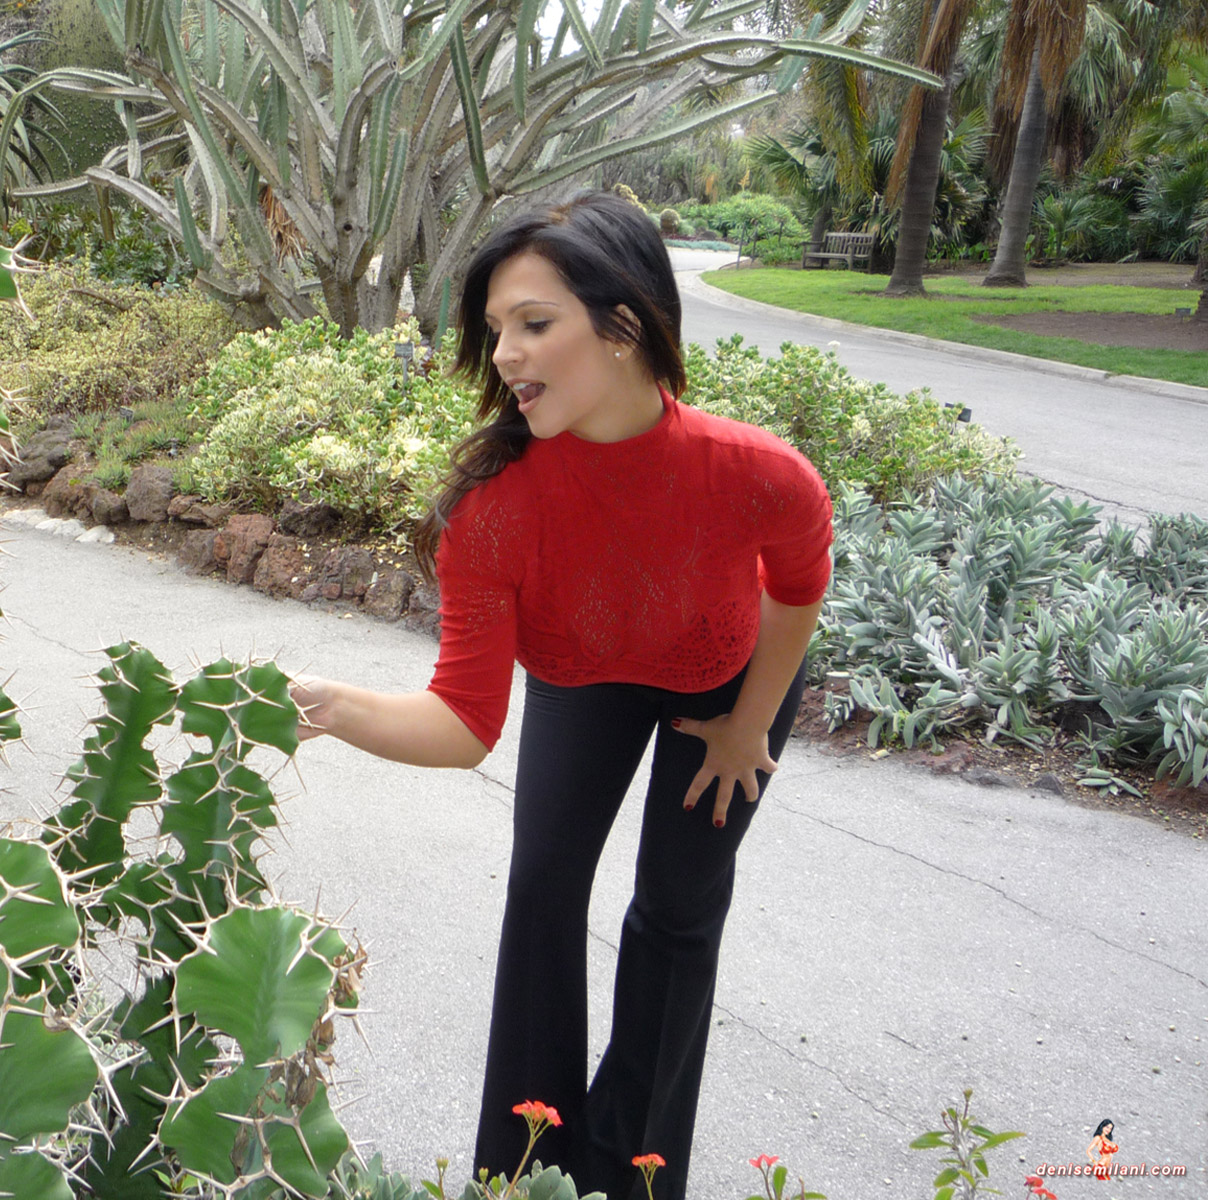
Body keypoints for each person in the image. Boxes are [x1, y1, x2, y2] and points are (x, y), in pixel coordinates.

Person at [288, 192, 833, 1200]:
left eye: (534, 324)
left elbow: (797, 591)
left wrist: (747, 727)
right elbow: (463, 723)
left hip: (723, 676)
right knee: (542, 888)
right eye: (496, 329)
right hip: (583, 672)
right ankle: (524, 1175)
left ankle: (633, 1174)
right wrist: (329, 708)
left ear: (623, 325)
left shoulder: (761, 473)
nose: (504, 354)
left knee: (676, 912)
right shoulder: (493, 510)